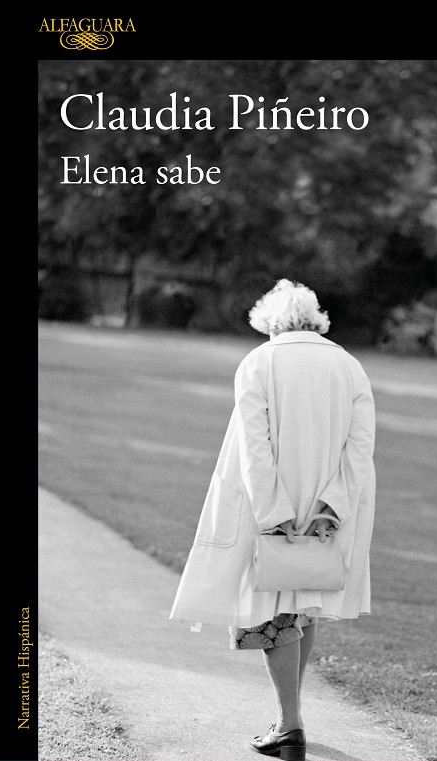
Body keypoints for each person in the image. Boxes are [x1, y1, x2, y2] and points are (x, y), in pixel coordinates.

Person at [169, 279, 376, 760]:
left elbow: (253, 446)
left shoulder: (259, 362)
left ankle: (289, 726)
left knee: (269, 611)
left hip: (269, 508)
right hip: (325, 513)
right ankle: (290, 717)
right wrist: (333, 505)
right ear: (314, 320)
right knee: (303, 604)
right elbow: (360, 445)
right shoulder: (349, 366)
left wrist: (273, 511)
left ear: (271, 323)